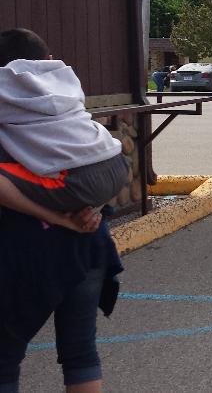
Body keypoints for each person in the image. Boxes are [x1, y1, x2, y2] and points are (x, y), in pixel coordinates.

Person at [0, 29, 124, 393]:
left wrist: (55, 217)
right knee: (80, 353)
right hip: (89, 241)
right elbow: (97, 163)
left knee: (4, 358)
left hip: (26, 250)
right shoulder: (67, 107)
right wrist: (94, 205)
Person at [0, 28, 130, 215]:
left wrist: (60, 220)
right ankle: (89, 212)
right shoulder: (66, 79)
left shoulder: (4, 87)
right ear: (50, 60)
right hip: (116, 162)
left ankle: (57, 219)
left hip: (75, 182)